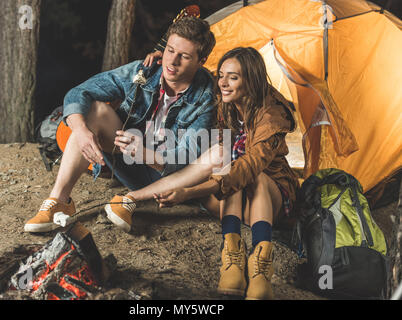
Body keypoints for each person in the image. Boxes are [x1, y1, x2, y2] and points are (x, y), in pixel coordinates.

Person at [113, 47, 299, 300]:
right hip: (237, 194)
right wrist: (161, 60)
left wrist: (188, 191)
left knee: (249, 174)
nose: (223, 82)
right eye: (222, 75)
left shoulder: (272, 115)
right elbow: (197, 73)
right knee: (224, 161)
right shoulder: (227, 101)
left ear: (251, 80)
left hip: (272, 196)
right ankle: (232, 258)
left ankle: (260, 268)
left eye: (233, 77)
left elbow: (249, 166)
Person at [24, 17, 216, 233]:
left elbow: (186, 158)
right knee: (96, 111)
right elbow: (80, 93)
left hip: (164, 177)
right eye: (170, 50)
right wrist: (81, 131)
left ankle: (131, 199)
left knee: (212, 155)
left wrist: (147, 155)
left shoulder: (206, 99)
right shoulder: (144, 71)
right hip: (126, 159)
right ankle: (59, 201)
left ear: (201, 61)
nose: (172, 62)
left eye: (185, 56)